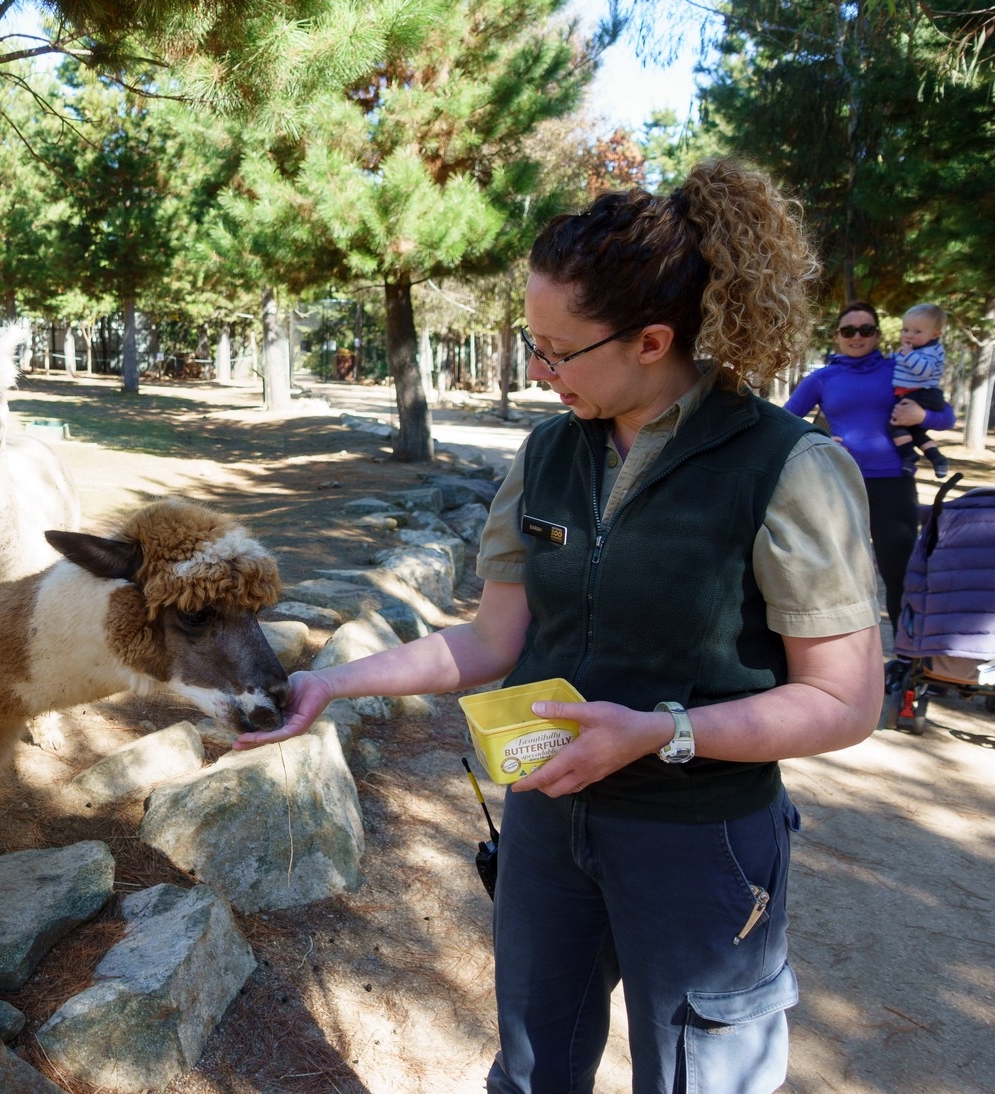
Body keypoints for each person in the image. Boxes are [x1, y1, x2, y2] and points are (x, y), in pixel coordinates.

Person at [234, 159, 883, 1094]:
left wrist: (659, 733)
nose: (538, 373)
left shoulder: (787, 466)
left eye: (557, 351)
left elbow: (844, 700)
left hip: (697, 840)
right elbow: (488, 642)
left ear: (652, 341)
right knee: (532, 1068)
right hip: (545, 820)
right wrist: (330, 684)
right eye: (530, 344)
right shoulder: (545, 454)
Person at [784, 302, 957, 633]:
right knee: (834, 577)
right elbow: (784, 421)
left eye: (866, 329)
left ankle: (906, 654)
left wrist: (922, 416)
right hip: (838, 487)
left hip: (894, 484)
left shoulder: (900, 370)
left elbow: (946, 416)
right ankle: (836, 654)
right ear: (837, 336)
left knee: (899, 574)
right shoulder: (822, 378)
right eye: (848, 330)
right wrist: (818, 438)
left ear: (877, 334)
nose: (857, 336)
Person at [890, 302, 951, 478]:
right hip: (915, 394)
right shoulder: (915, 350)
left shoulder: (930, 350)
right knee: (915, 432)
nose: (909, 335)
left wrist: (908, 355)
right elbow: (899, 364)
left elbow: (925, 370)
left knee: (894, 424)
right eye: (905, 330)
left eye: (917, 332)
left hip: (923, 394)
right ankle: (937, 458)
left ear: (935, 334)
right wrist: (895, 357)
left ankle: (909, 455)